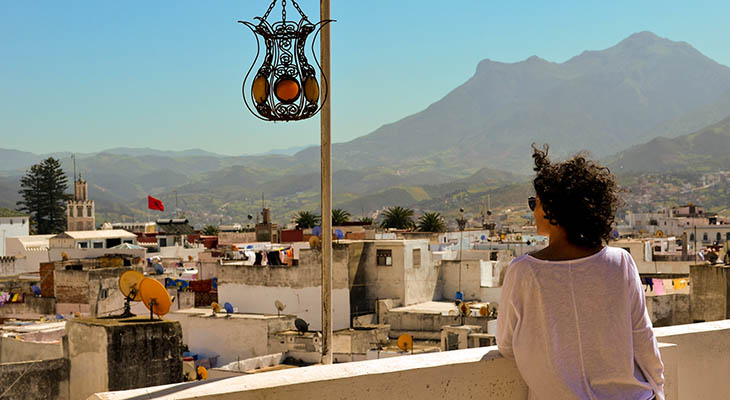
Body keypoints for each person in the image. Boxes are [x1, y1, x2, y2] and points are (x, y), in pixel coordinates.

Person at [497, 145, 664, 400]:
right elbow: (643, 338)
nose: (532, 210)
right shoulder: (620, 262)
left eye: (535, 202)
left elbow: (506, 346)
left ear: (551, 209)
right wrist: (659, 390)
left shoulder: (523, 272)